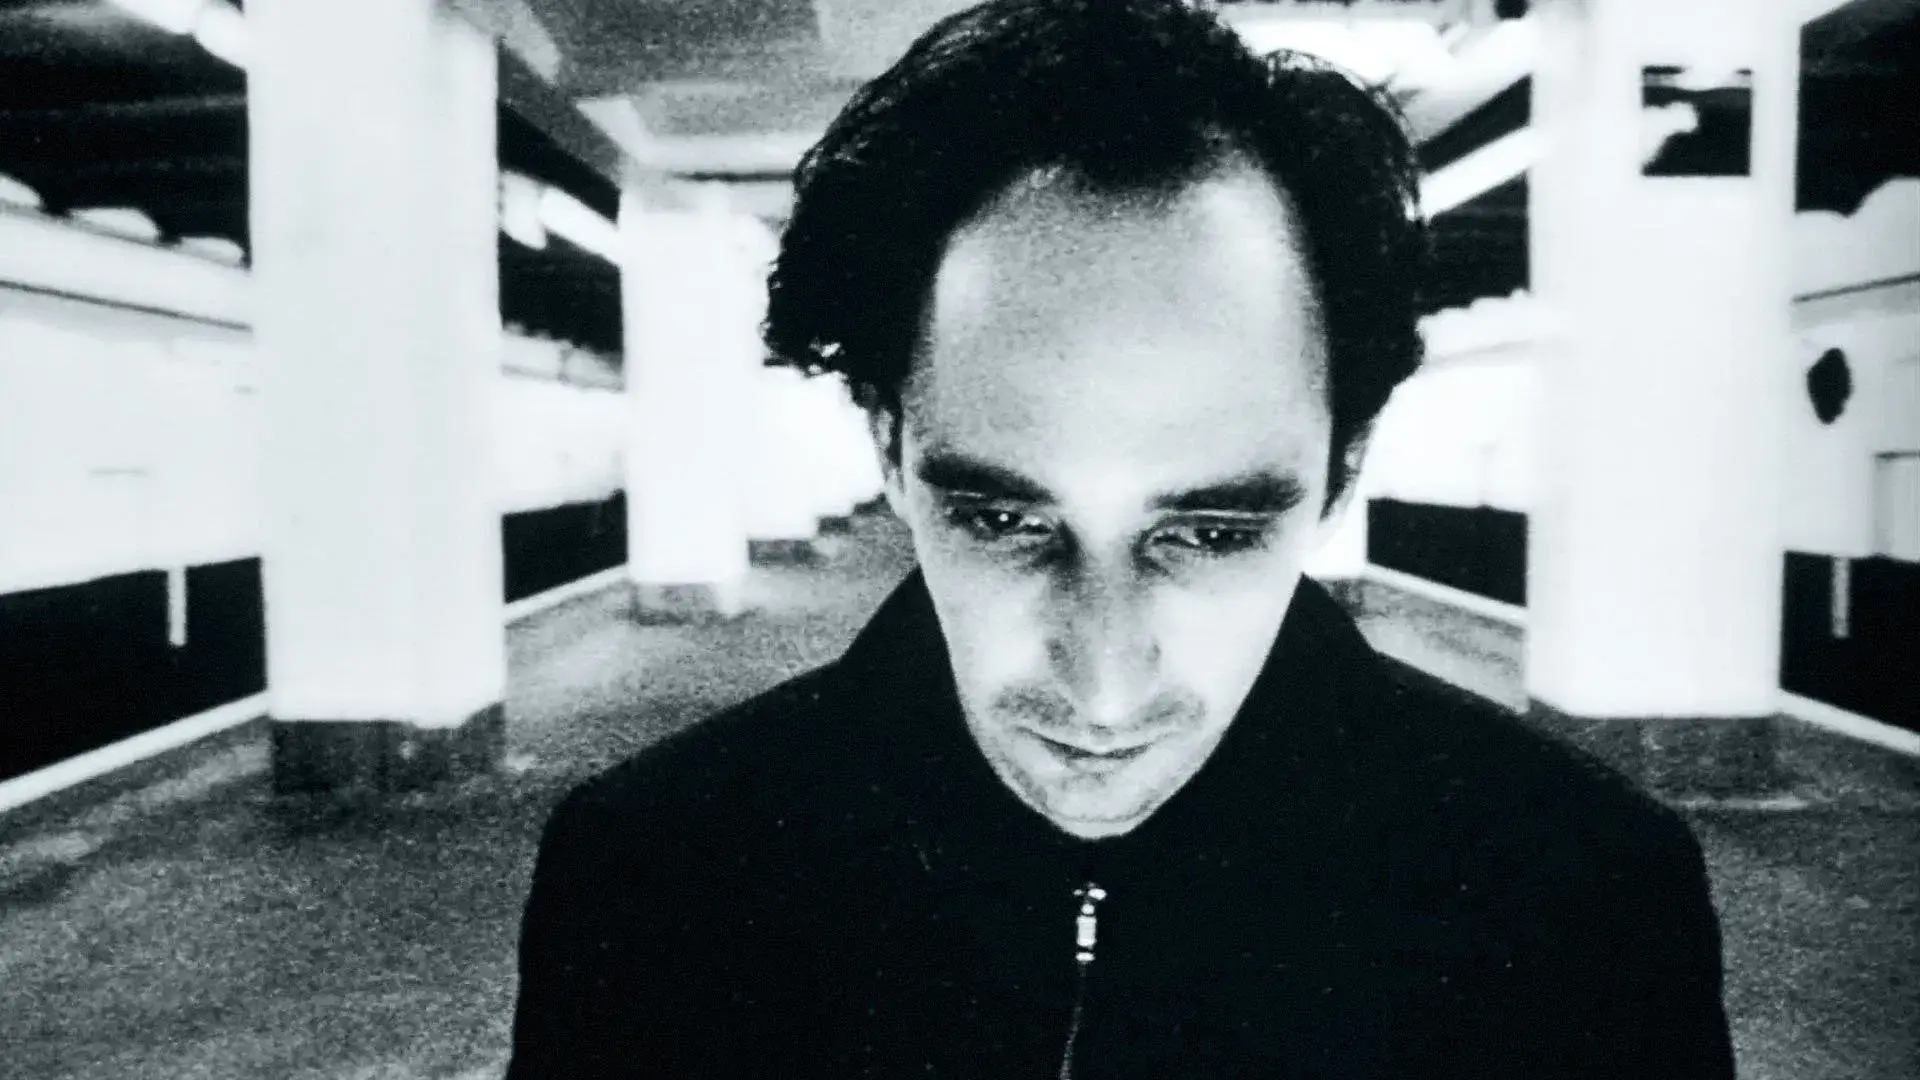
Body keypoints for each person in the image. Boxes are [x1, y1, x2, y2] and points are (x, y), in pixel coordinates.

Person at [506, 1, 1736, 1076]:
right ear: (889, 447)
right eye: (1003, 520)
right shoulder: (652, 880)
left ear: (1342, 468)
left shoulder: (1583, 900)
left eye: (1210, 530)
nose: (1102, 687)